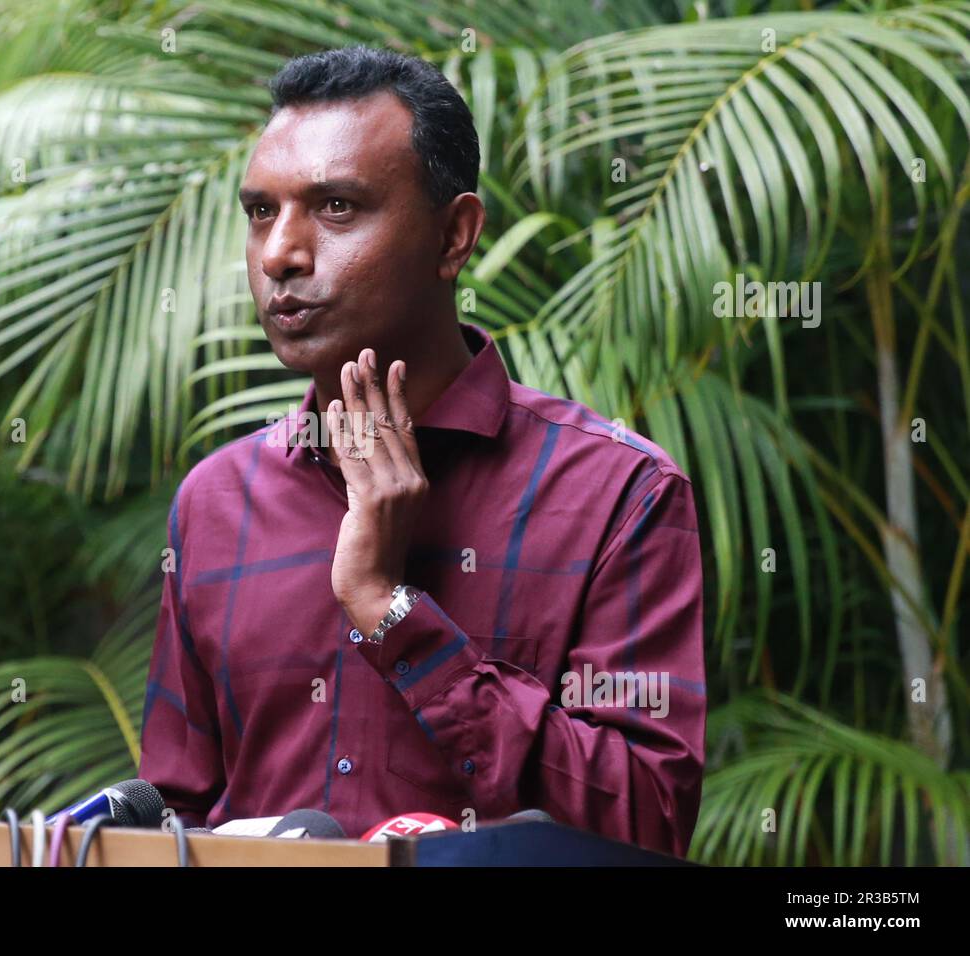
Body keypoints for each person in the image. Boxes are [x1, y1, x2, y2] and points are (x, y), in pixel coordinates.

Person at [138, 46, 706, 857]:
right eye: (262, 211)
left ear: (454, 235)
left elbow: (646, 820)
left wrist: (391, 612)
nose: (279, 255)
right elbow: (172, 816)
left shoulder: (619, 495)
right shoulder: (217, 502)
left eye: (335, 207)